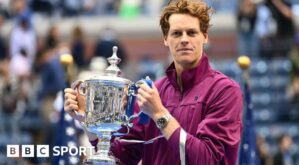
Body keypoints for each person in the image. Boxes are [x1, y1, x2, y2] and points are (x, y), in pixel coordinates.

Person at [64, 0, 243, 164]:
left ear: (205, 37)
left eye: (192, 32)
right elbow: (121, 158)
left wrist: (159, 114)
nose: (184, 39)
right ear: (166, 39)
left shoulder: (225, 91)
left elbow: (208, 159)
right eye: (176, 33)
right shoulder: (154, 91)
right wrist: (89, 121)